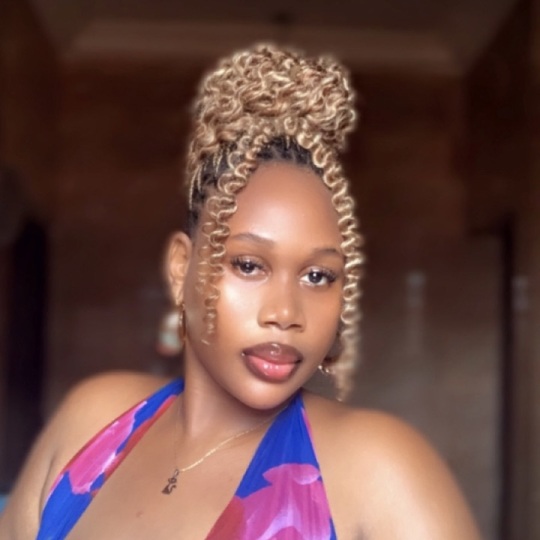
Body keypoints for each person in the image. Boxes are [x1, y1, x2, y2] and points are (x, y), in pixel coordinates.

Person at [0, 43, 481, 539]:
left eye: (318, 276)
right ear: (181, 269)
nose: (285, 313)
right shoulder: (92, 422)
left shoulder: (381, 471)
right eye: (249, 265)